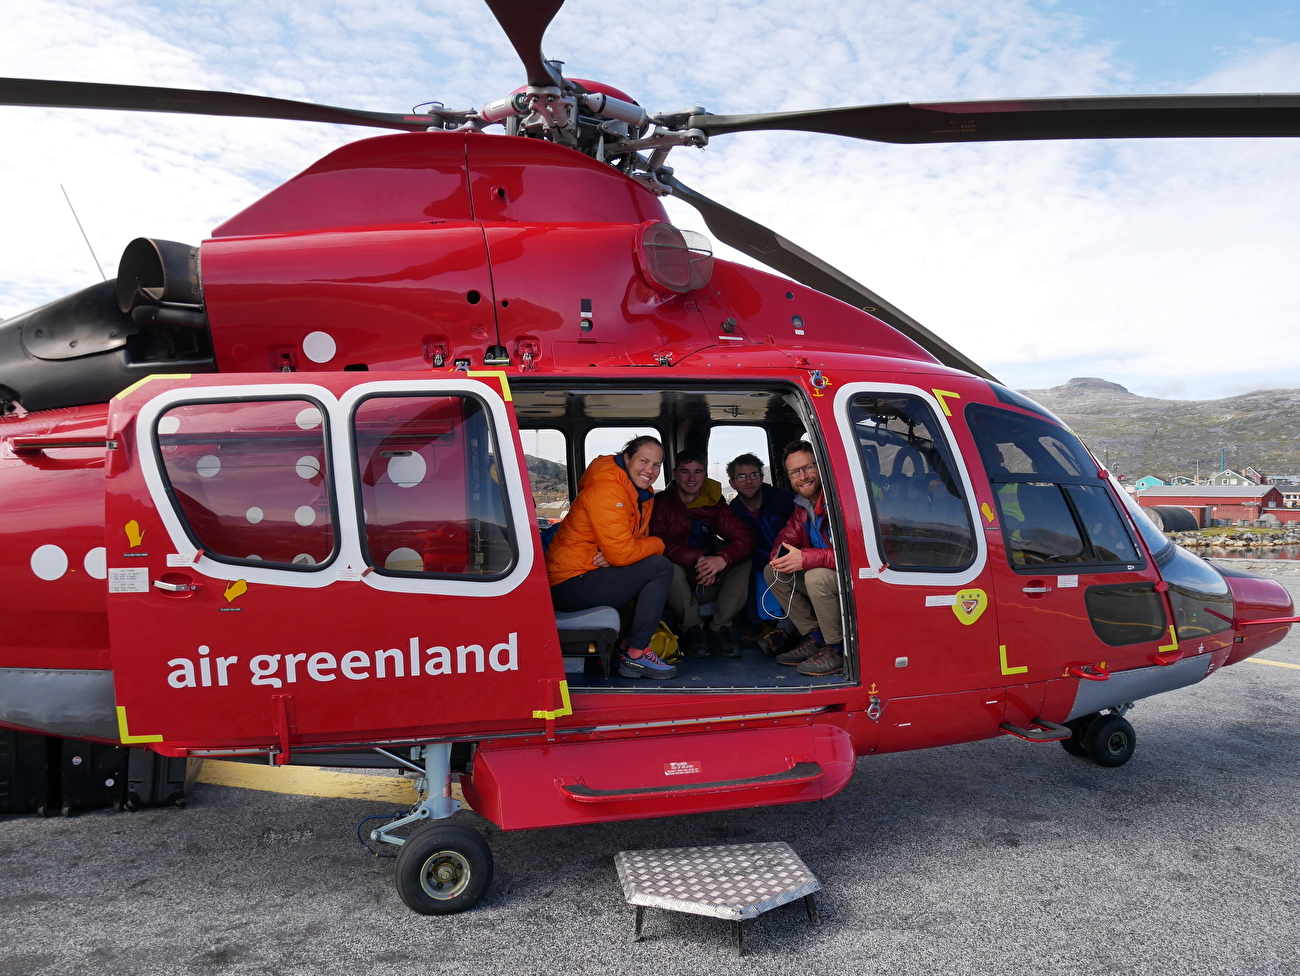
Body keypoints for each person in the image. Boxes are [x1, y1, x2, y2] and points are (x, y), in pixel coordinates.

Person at [547, 436, 676, 679]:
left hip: (588, 572)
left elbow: (625, 548)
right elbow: (623, 552)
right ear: (627, 458)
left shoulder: (640, 493)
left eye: (656, 465)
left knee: (649, 565)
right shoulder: (608, 490)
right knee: (660, 566)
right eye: (643, 461)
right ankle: (635, 654)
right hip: (568, 583)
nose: (649, 470)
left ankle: (627, 646)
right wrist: (656, 544)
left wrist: (620, 553)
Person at [649, 450, 754, 657]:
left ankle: (719, 630)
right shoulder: (661, 503)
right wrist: (699, 558)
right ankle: (693, 631)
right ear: (674, 474)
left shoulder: (714, 503)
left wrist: (722, 559)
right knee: (666, 565)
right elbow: (657, 542)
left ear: (704, 474)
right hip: (674, 585)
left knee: (743, 560)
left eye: (698, 472)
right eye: (685, 471)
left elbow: (745, 538)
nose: (691, 478)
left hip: (706, 582)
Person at [764, 441, 845, 676]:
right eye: (794, 472)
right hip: (827, 578)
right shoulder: (803, 506)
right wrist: (781, 559)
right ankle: (817, 639)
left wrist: (806, 559)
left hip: (856, 582)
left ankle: (838, 649)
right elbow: (782, 543)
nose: (802, 476)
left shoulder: (840, 500)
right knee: (774, 571)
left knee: (816, 577)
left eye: (808, 468)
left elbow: (856, 557)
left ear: (820, 468)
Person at [726, 453, 797, 648]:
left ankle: (784, 631)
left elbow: (802, 531)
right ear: (732, 483)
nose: (749, 481)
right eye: (741, 476)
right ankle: (762, 627)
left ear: (762, 477)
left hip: (789, 559)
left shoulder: (782, 499)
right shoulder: (733, 510)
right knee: (743, 567)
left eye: (754, 475)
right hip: (758, 563)